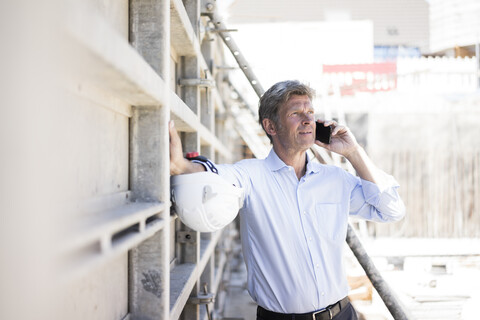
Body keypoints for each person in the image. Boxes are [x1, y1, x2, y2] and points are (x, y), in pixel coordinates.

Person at [169, 80, 405, 320]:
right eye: (295, 113)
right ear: (271, 126)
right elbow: (215, 176)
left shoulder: (335, 179)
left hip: (341, 314)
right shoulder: (251, 176)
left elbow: (391, 210)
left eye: (310, 112)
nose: (308, 119)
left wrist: (354, 152)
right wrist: (182, 165)